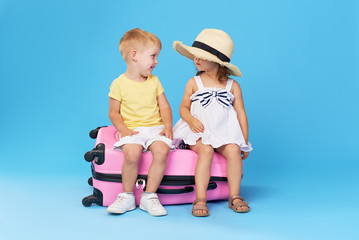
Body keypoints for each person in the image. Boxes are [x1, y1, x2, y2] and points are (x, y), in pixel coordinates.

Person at [173, 29, 253, 217]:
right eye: (195, 56)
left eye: (202, 57)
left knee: (233, 150)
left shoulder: (232, 86)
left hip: (223, 132)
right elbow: (183, 108)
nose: (196, 60)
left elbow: (241, 113)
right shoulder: (194, 82)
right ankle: (200, 198)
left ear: (217, 61)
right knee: (206, 151)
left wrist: (244, 141)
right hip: (198, 132)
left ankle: (234, 195)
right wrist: (191, 120)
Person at [107, 28, 173, 216]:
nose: (156, 61)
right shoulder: (118, 83)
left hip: (155, 129)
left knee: (162, 151)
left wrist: (167, 126)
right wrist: (123, 129)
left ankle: (149, 196)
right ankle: (127, 195)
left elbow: (165, 107)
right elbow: (114, 112)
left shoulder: (155, 81)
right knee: (132, 154)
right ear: (134, 55)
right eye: (153, 56)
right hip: (133, 130)